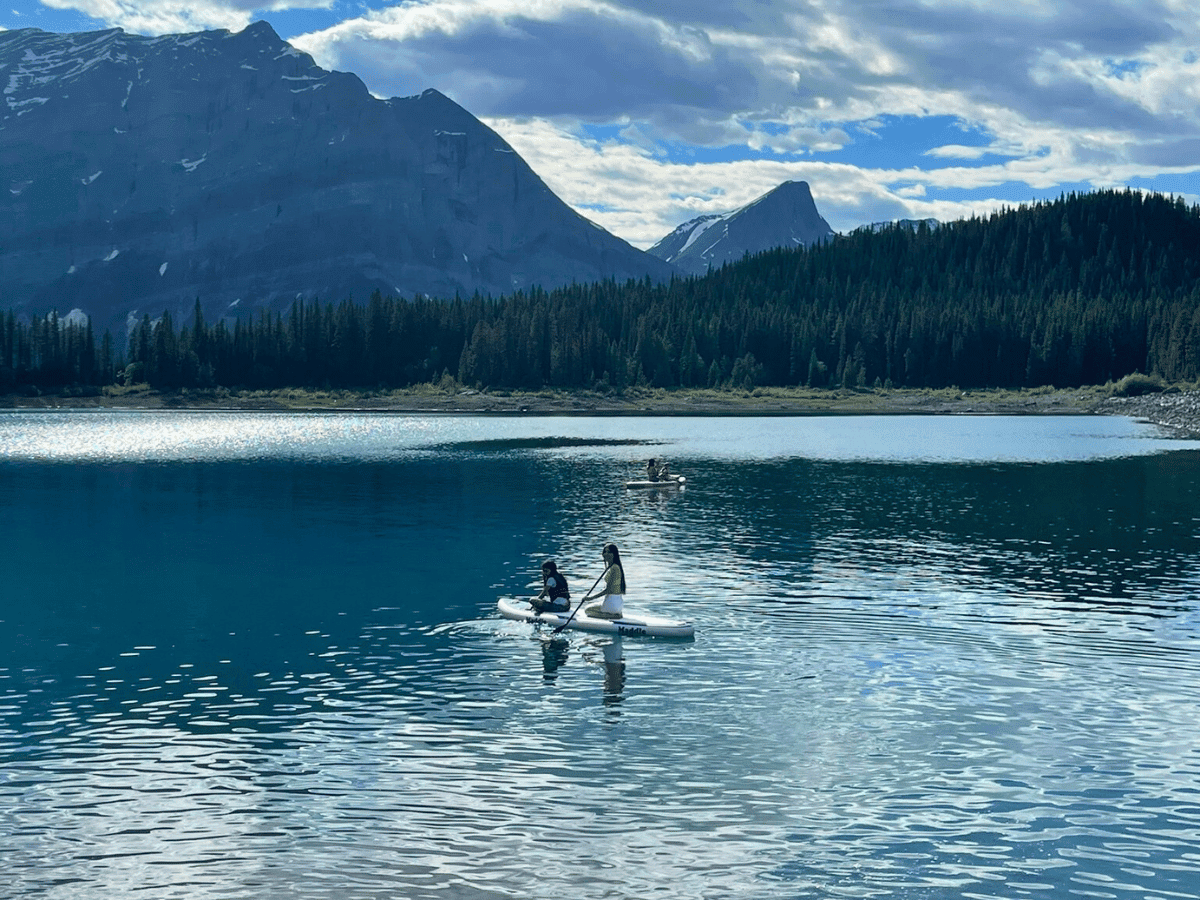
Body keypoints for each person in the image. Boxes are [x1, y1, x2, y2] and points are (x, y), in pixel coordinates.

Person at [582, 542, 626, 619]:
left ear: (614, 554)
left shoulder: (614, 568)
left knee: (587, 610)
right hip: (618, 604)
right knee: (592, 606)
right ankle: (615, 613)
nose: (606, 554)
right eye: (604, 552)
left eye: (609, 552)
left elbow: (608, 590)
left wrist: (590, 598)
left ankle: (612, 615)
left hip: (611, 603)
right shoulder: (613, 567)